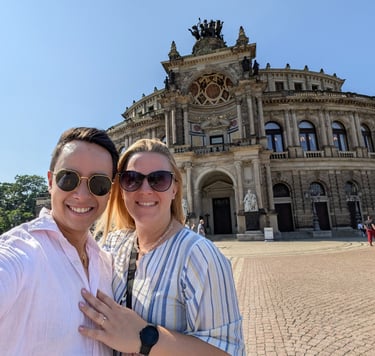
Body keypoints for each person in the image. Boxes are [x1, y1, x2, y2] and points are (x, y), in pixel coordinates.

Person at [78, 138, 245, 355]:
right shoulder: (113, 246)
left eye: (159, 179)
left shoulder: (199, 256)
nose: (145, 189)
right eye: (132, 179)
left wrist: (144, 337)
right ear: (121, 189)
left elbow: (228, 351)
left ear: (175, 188)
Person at [0, 127, 119, 355]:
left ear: (110, 192)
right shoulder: (21, 252)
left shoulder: (106, 263)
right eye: (68, 178)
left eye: (99, 183)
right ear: (50, 181)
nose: (82, 195)